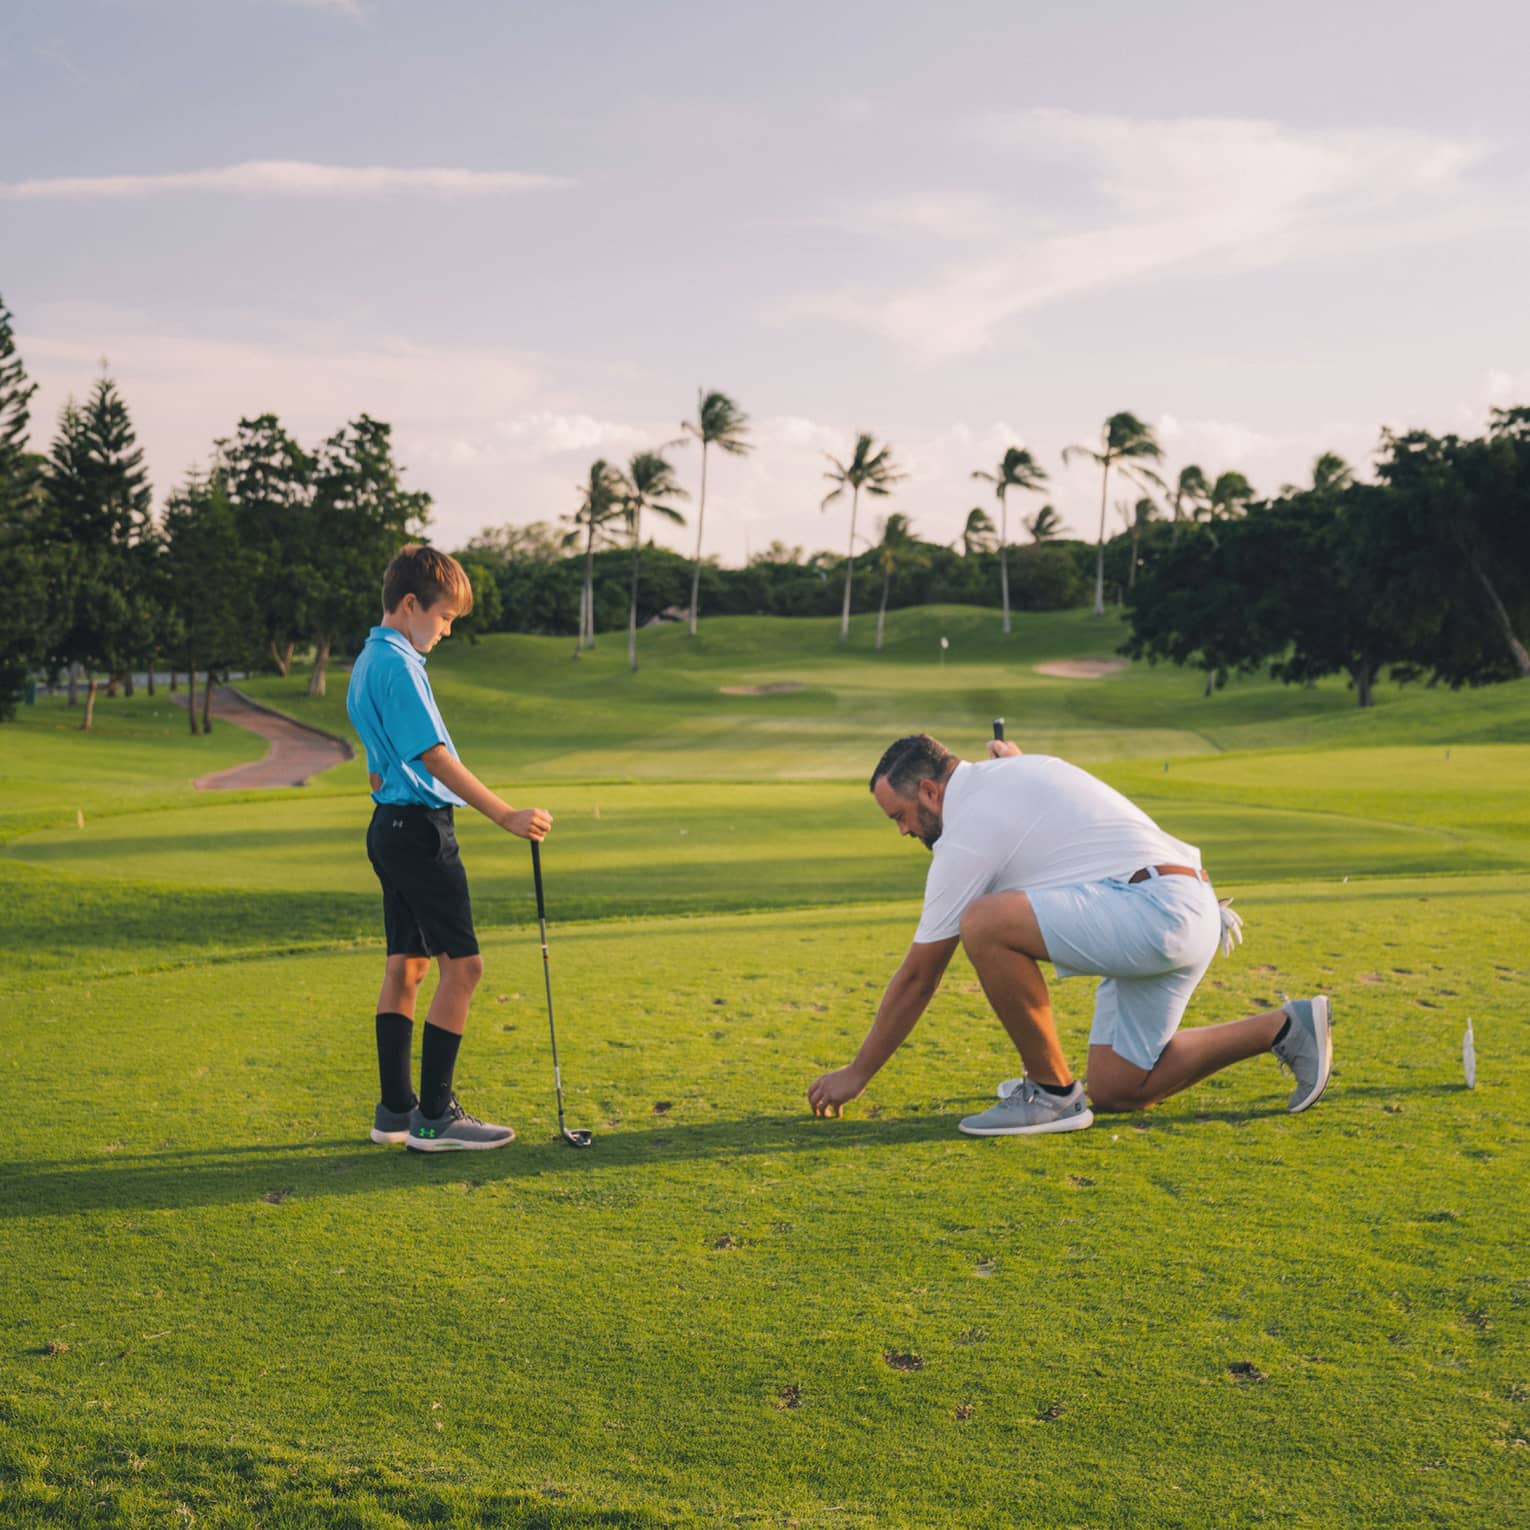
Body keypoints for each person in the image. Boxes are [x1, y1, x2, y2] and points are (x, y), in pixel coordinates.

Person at [806, 732, 1332, 1135]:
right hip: (1180, 906)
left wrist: (858, 1072)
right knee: (1120, 1086)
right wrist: (1015, 769)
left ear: (929, 790)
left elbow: (921, 975)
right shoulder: (1014, 771)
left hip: (1156, 912)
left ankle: (1051, 1092)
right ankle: (1285, 1028)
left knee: (983, 923)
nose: (903, 831)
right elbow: (1043, 806)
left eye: (900, 815)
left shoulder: (966, 831)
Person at [346, 544, 553, 1152]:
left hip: (388, 827)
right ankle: (436, 1117)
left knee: (405, 966)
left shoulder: (367, 659)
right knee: (464, 968)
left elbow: (382, 752)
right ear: (411, 605)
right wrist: (505, 815)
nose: (446, 629)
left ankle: (394, 1112)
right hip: (419, 832)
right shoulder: (401, 665)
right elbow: (434, 756)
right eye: (444, 617)